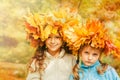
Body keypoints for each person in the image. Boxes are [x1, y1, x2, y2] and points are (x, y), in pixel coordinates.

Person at [24, 7, 82, 80]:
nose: (53, 41)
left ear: (63, 39)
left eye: (57, 37)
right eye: (49, 37)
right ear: (43, 39)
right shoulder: (38, 61)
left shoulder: (71, 59)